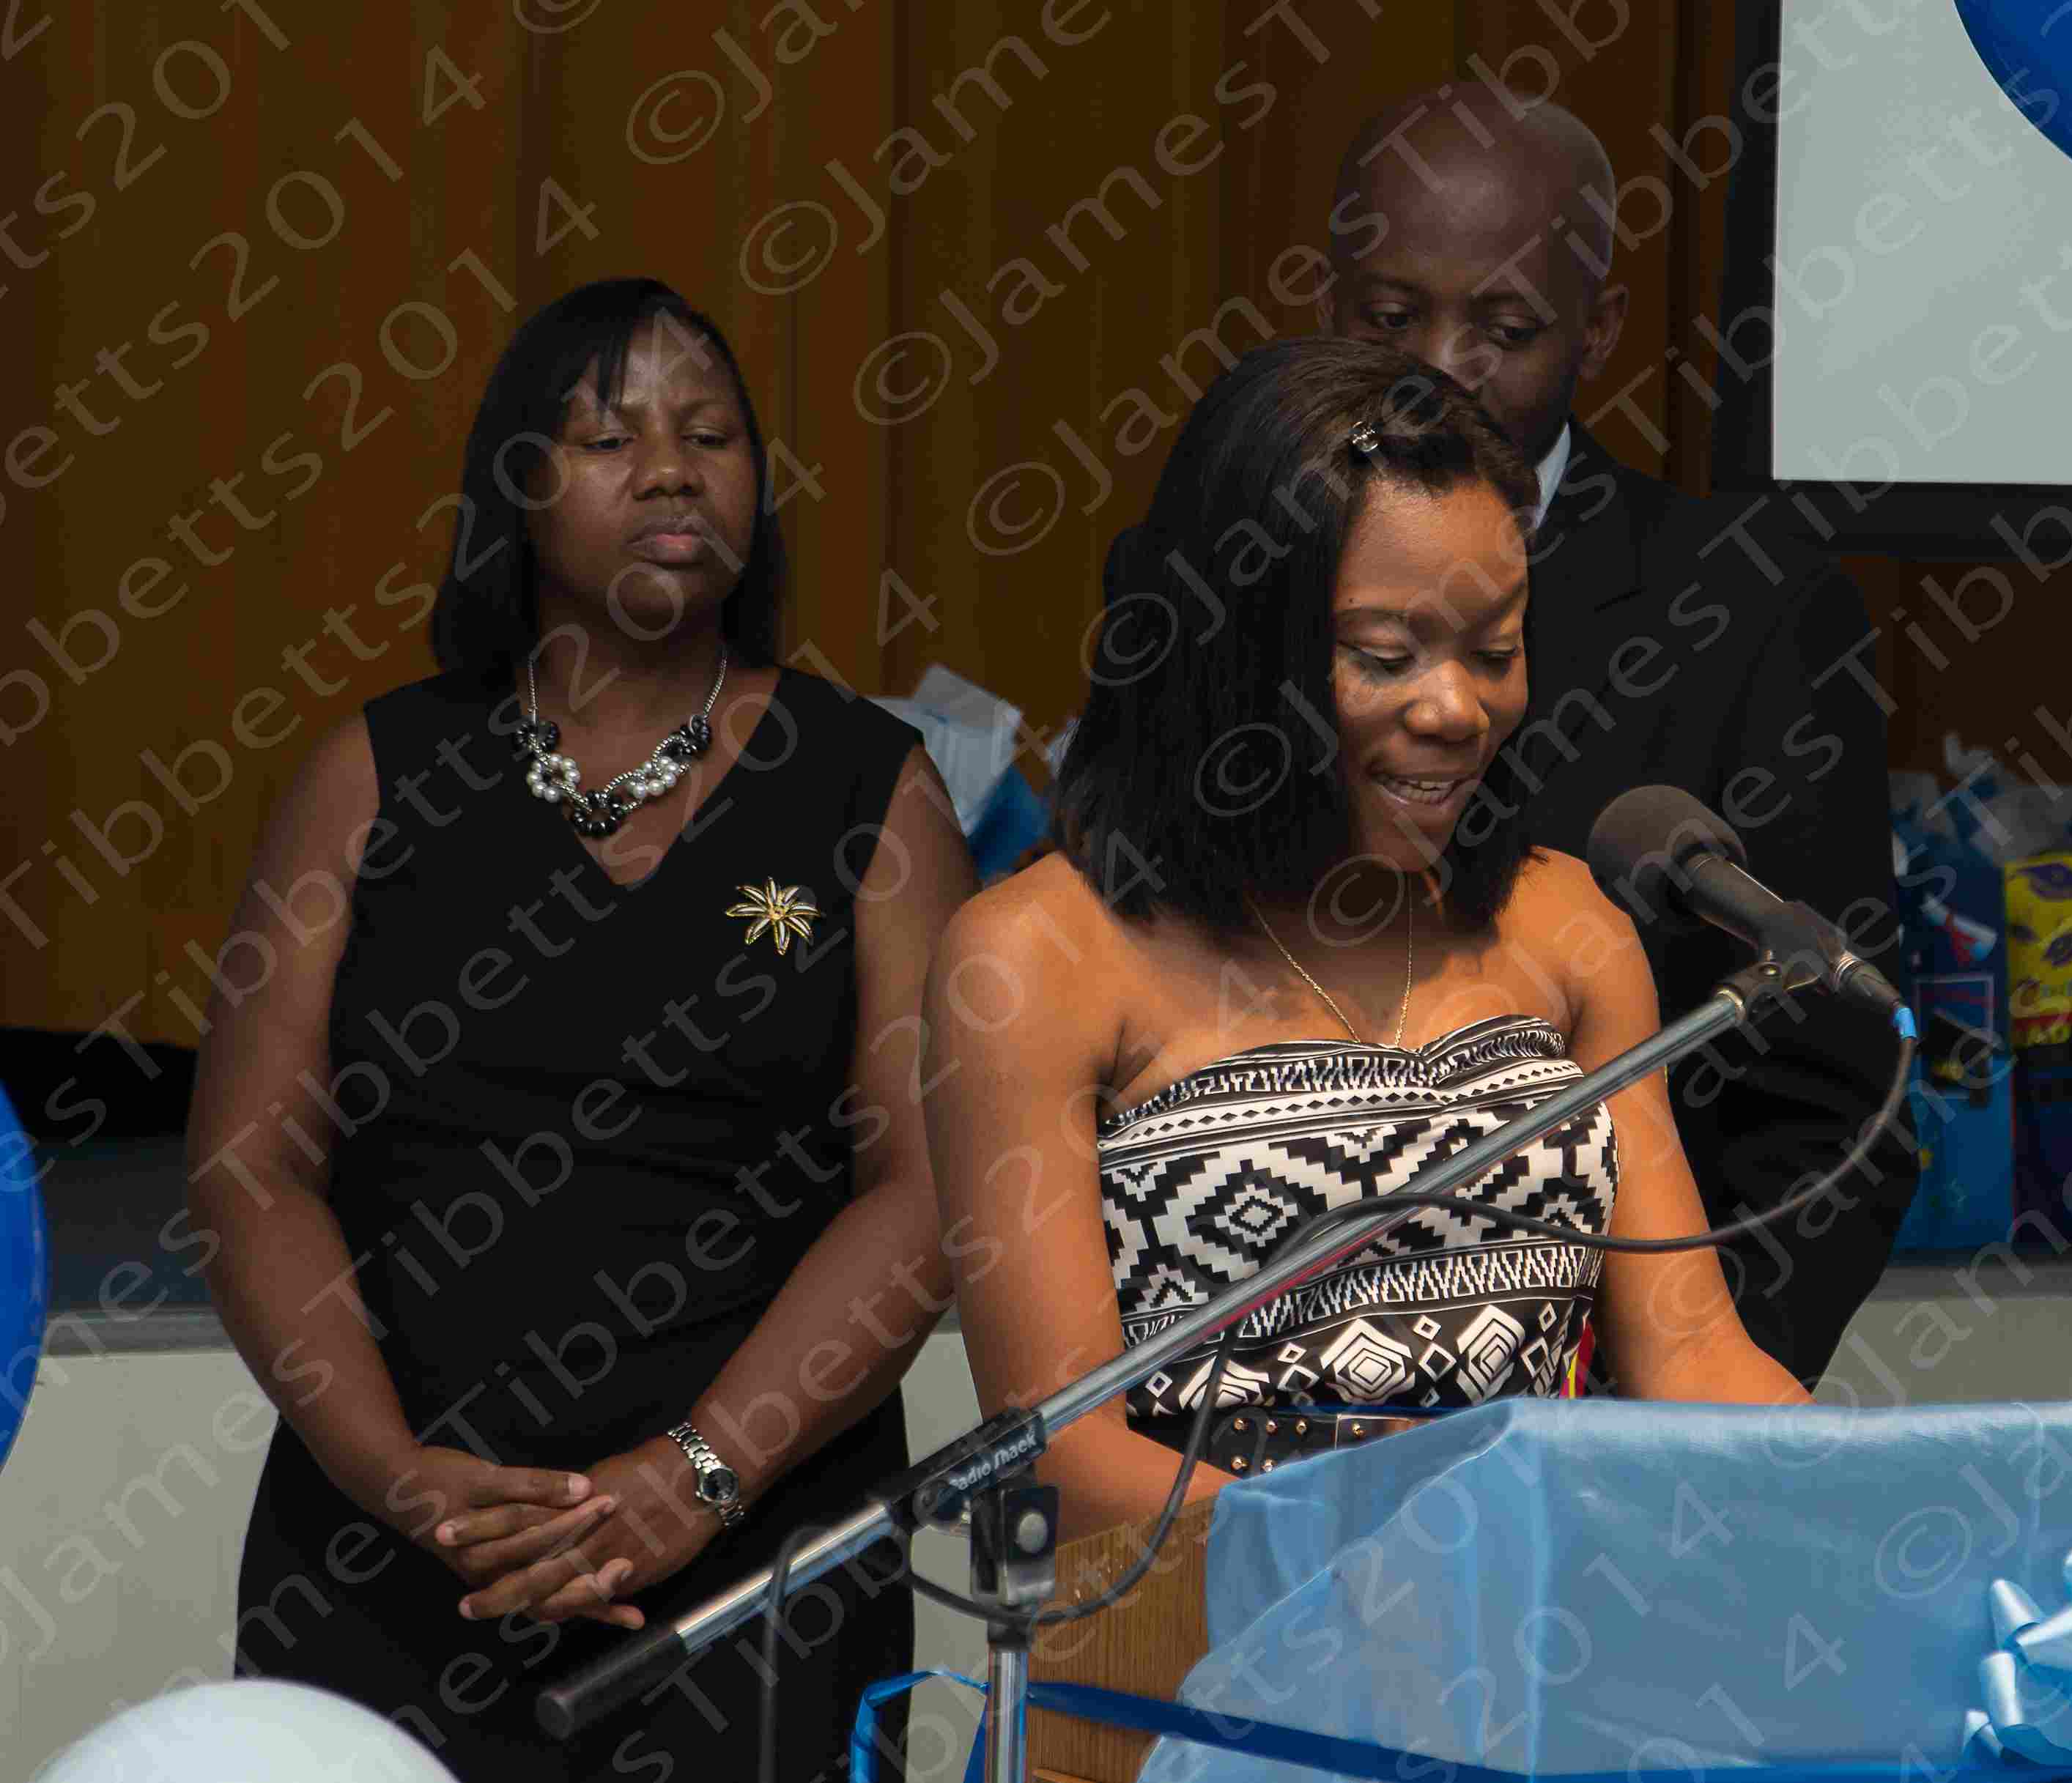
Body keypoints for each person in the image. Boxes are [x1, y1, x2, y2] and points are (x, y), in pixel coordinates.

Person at [189, 278, 975, 1779]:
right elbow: (250, 1166)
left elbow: (928, 1188)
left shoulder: (874, 788)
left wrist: (694, 1476)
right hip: (390, 1563)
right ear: (518, 486)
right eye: (611, 439)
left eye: (711, 436)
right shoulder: (369, 775)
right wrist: (401, 1476)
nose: (672, 472)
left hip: (752, 1577)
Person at [928, 337, 1832, 1542]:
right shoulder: (1037, 954)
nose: (1458, 710)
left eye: (1495, 650)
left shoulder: (1566, 921)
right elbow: (1065, 1455)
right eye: (1384, 656)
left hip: (1531, 1613)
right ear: (1234, 652)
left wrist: (1886, 1498)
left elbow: (1692, 1353)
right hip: (1214, 1628)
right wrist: (1391, 1567)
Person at [1318, 83, 1915, 1387]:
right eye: (1389, 317)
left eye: (1505, 329)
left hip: (1625, 1402)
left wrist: (1662, 1414)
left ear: (1597, 327)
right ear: (1326, 302)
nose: (1438, 368)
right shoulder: (1219, 579)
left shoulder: (1750, 602)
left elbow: (1827, 1103)